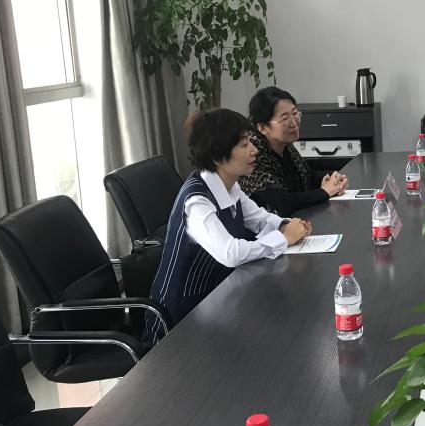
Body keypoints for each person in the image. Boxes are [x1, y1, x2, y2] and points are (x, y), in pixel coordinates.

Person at [145, 109, 311, 343]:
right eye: (244, 145)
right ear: (218, 157)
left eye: (250, 142)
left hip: (218, 301)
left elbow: (258, 218)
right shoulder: (197, 202)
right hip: (181, 320)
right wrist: (284, 238)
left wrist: (287, 225)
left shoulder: (229, 184)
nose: (254, 150)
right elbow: (230, 253)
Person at [239, 86, 349, 216]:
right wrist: (325, 191)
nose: (294, 123)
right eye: (284, 119)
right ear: (263, 127)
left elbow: (306, 176)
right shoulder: (252, 155)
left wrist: (333, 180)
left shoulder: (283, 143)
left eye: (295, 113)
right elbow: (282, 203)